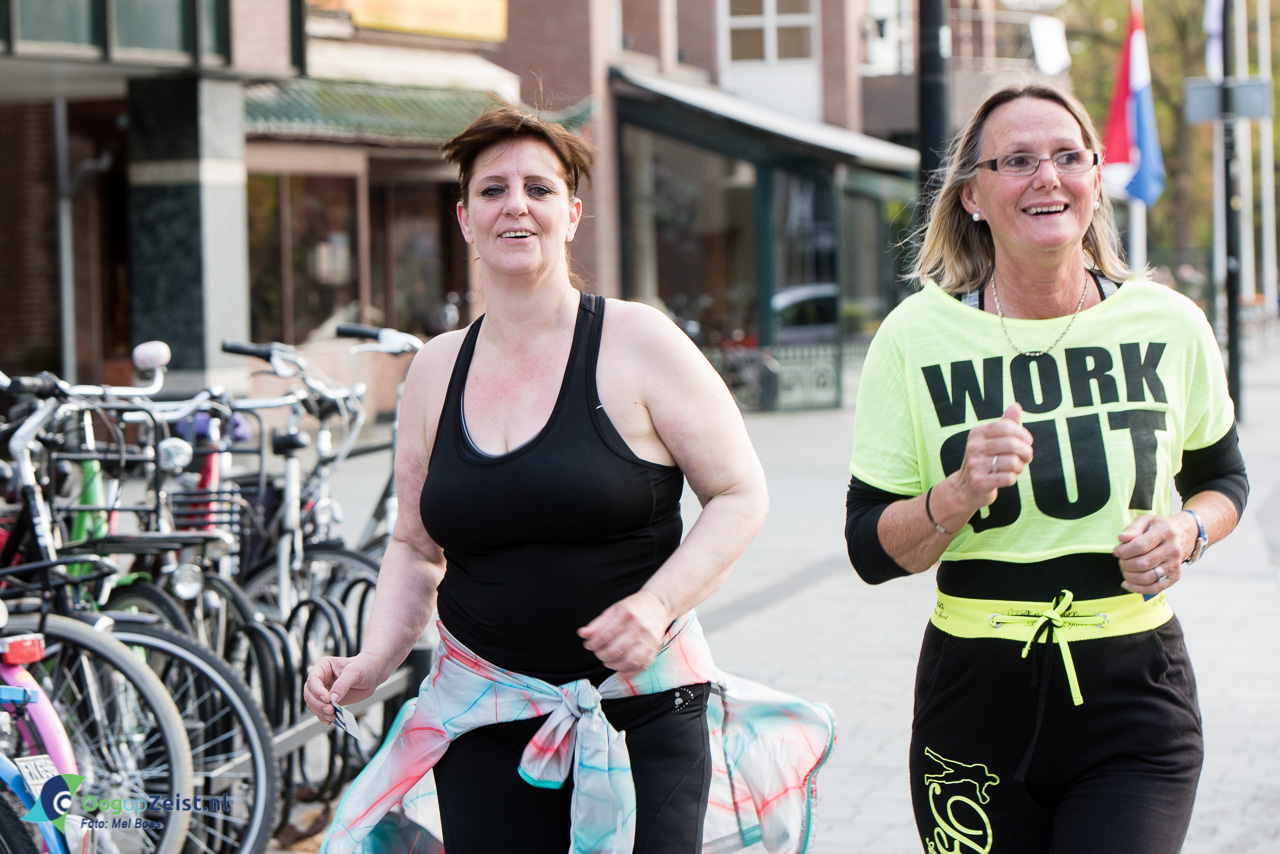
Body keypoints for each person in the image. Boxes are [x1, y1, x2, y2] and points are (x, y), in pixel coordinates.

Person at [304, 105, 833, 854]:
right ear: (464, 218)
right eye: (492, 190)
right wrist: (372, 662)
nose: (515, 205)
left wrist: (657, 606)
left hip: (642, 712)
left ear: (572, 214)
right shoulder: (433, 369)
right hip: (483, 713)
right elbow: (416, 546)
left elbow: (740, 493)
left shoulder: (639, 341)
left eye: (538, 188)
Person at [844, 76, 1248, 854]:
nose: (1047, 177)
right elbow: (869, 547)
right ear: (972, 195)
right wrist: (956, 494)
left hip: (1136, 694)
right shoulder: (914, 337)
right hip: (974, 701)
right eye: (1018, 160)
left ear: (1096, 179)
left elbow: (1225, 480)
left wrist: (1187, 531)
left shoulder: (1169, 323)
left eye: (1069, 157)